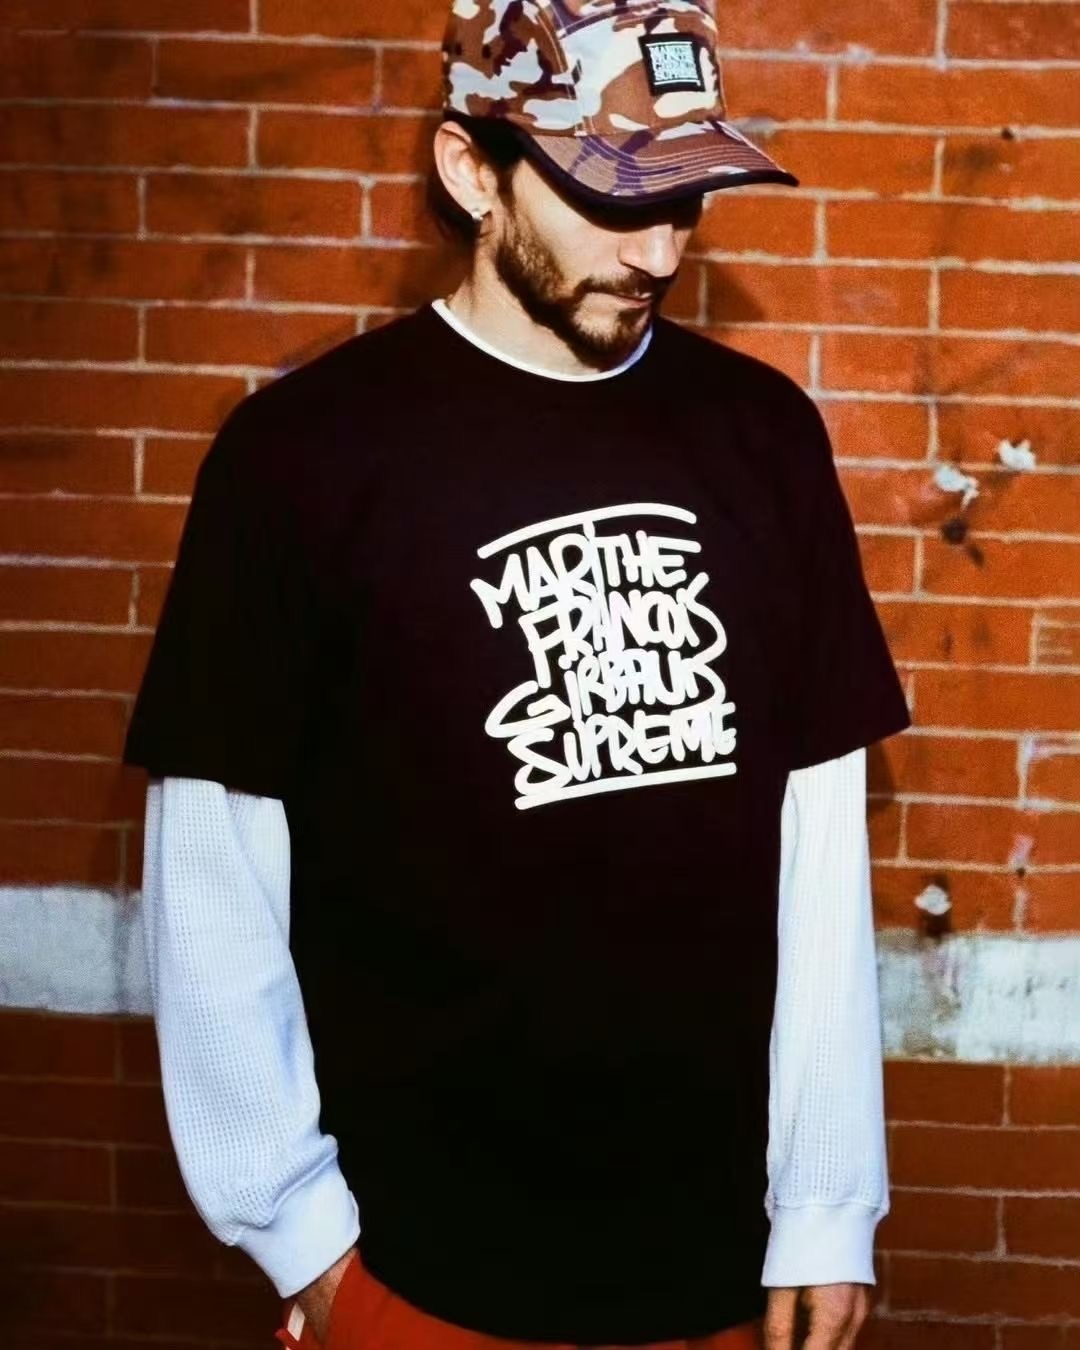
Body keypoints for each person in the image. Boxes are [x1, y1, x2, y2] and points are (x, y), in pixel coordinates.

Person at [121, 2, 912, 1348]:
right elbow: (214, 868)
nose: (658, 250)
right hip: (417, 1269)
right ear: (470, 170)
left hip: (717, 1267)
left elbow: (819, 842)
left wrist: (829, 1208)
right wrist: (303, 1240)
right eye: (611, 196)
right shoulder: (300, 458)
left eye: (686, 199)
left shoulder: (765, 439)